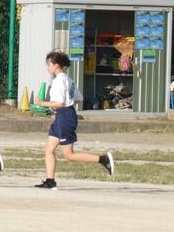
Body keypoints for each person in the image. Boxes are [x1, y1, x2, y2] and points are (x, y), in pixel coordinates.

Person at [33, 51, 114, 189]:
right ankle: (50, 181)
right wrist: (68, 106)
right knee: (49, 149)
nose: (47, 67)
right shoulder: (68, 79)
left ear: (56, 65)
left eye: (49, 64)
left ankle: (103, 159)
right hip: (64, 115)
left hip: (64, 117)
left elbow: (59, 103)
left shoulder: (58, 81)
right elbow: (78, 98)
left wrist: (41, 103)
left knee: (69, 155)